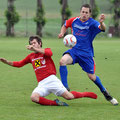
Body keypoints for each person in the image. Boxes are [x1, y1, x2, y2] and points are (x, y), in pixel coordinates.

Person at [0, 35, 98, 106]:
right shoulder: (31, 57)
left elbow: (49, 53)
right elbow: (19, 64)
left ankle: (86, 94)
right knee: (34, 97)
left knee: (69, 97)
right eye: (31, 44)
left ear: (40, 43)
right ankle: (56, 103)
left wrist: (35, 48)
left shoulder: (45, 51)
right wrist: (7, 62)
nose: (32, 45)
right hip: (42, 84)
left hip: (52, 80)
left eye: (34, 43)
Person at [58, 4, 118, 105]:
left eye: (86, 12)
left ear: (89, 14)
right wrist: (62, 33)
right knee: (62, 61)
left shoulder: (92, 23)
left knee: (91, 76)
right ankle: (65, 87)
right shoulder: (74, 20)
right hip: (74, 51)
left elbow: (102, 28)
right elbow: (65, 25)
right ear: (80, 12)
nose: (84, 14)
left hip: (86, 54)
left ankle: (105, 92)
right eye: (83, 12)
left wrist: (102, 22)